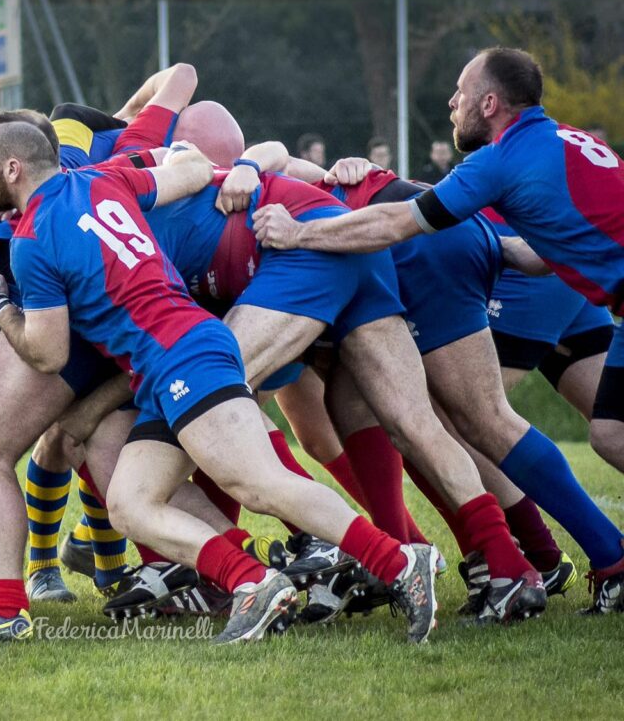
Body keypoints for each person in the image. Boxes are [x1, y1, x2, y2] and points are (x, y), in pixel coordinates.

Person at [0, 112, 440, 645]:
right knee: (130, 503)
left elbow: (48, 354)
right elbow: (188, 171)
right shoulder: (103, 177)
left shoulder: (31, 241)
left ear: (12, 169)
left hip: (183, 357)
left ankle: (400, 562)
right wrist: (235, 169)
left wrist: (0, 307)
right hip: (169, 361)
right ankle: (253, 582)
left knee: (258, 484)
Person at [252, 46, 624, 615]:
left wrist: (298, 233)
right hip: (561, 285)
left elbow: (401, 221)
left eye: (460, 92)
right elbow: (555, 244)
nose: (452, 104)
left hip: (462, 265)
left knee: (467, 419)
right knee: (604, 433)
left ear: (491, 103)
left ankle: (538, 561)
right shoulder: (564, 138)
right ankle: (585, 561)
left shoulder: (499, 158)